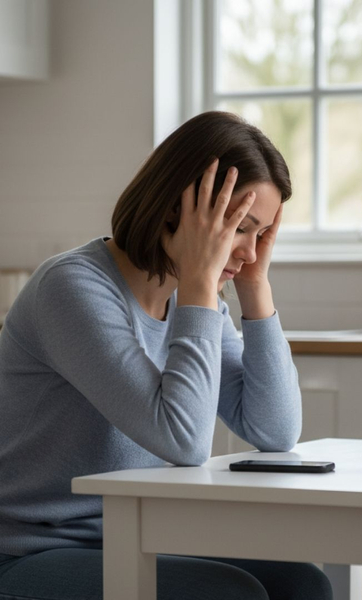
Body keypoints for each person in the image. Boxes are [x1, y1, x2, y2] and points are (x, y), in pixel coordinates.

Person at [0, 111, 333, 600]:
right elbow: (183, 441)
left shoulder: (191, 299)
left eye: (261, 234)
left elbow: (275, 430)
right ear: (180, 207)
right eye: (241, 227)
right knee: (230, 594)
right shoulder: (72, 288)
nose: (248, 250)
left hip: (138, 536)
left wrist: (255, 285)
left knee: (303, 582)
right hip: (31, 552)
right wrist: (201, 282)